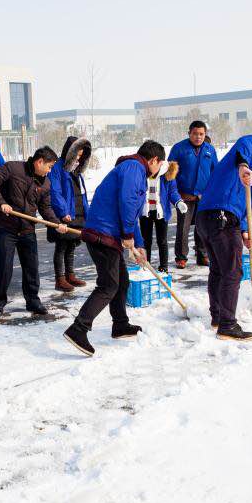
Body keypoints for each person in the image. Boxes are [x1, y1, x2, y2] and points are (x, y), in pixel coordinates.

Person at [62, 140, 163, 357]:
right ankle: (78, 328)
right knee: (109, 285)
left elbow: (132, 213)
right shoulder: (134, 169)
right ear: (154, 160)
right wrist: (127, 236)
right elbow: (126, 202)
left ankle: (120, 324)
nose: (159, 170)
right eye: (160, 165)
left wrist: (140, 244)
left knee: (121, 281)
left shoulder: (133, 170)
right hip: (102, 234)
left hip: (109, 236)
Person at [195, 130, 252, 341]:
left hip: (207, 217)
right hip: (222, 217)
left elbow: (244, 206)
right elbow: (245, 145)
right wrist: (243, 166)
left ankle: (217, 317)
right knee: (232, 272)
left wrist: (244, 231)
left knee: (218, 269)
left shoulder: (246, 167)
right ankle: (228, 325)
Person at [0, 146, 67, 317]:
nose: (50, 170)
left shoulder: (45, 183)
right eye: (49, 166)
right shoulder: (13, 168)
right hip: (7, 228)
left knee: (31, 268)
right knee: (4, 267)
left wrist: (56, 223)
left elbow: (46, 208)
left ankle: (33, 301)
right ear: (39, 162)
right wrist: (1, 203)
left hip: (27, 229)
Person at [167, 120, 218, 268]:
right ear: (189, 133)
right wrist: (176, 194)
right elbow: (170, 175)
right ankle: (181, 257)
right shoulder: (179, 148)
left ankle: (202, 255)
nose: (198, 137)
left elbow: (215, 172)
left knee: (202, 228)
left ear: (205, 134)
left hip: (204, 198)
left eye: (201, 134)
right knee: (183, 228)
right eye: (195, 133)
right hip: (185, 197)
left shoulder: (210, 150)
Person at [48, 136, 92, 292]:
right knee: (61, 246)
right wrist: (62, 211)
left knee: (72, 245)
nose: (79, 158)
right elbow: (55, 192)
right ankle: (60, 279)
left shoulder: (76, 170)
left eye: (81, 155)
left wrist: (87, 213)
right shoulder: (57, 168)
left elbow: (83, 192)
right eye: (77, 154)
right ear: (69, 152)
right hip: (65, 214)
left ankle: (70, 275)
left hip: (78, 212)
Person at [140, 160, 188, 272]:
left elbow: (172, 192)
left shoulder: (166, 174)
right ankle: (146, 266)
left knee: (162, 240)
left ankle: (164, 266)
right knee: (146, 241)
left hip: (161, 212)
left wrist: (179, 202)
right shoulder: (142, 173)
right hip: (145, 212)